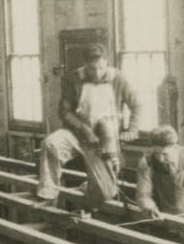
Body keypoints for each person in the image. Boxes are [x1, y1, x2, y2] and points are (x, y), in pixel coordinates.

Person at [37, 44, 142, 201]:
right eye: (92, 69)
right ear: (85, 65)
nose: (97, 73)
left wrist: (132, 129)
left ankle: (88, 188)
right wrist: (83, 128)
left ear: (106, 63)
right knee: (50, 144)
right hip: (77, 133)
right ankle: (47, 194)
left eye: (101, 68)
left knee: (105, 192)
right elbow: (65, 111)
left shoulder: (118, 78)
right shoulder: (73, 78)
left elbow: (137, 106)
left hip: (105, 138)